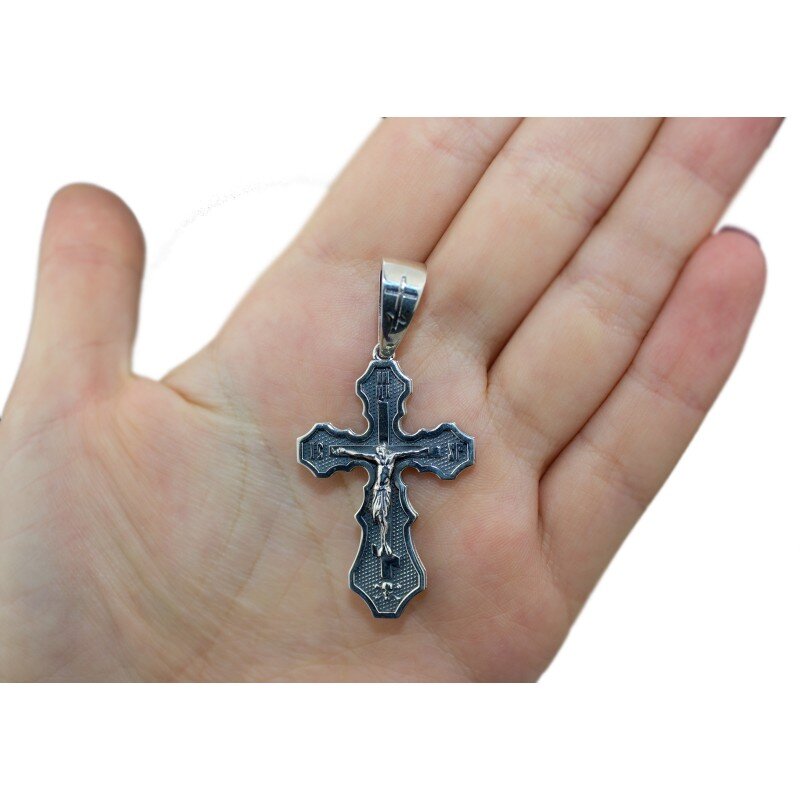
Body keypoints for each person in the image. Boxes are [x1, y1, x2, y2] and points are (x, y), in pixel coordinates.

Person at [0, 118, 780, 681]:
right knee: (380, 493)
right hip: (381, 489)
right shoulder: (348, 444)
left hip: (392, 480)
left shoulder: (414, 443)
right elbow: (336, 450)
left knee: (383, 490)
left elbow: (437, 449)